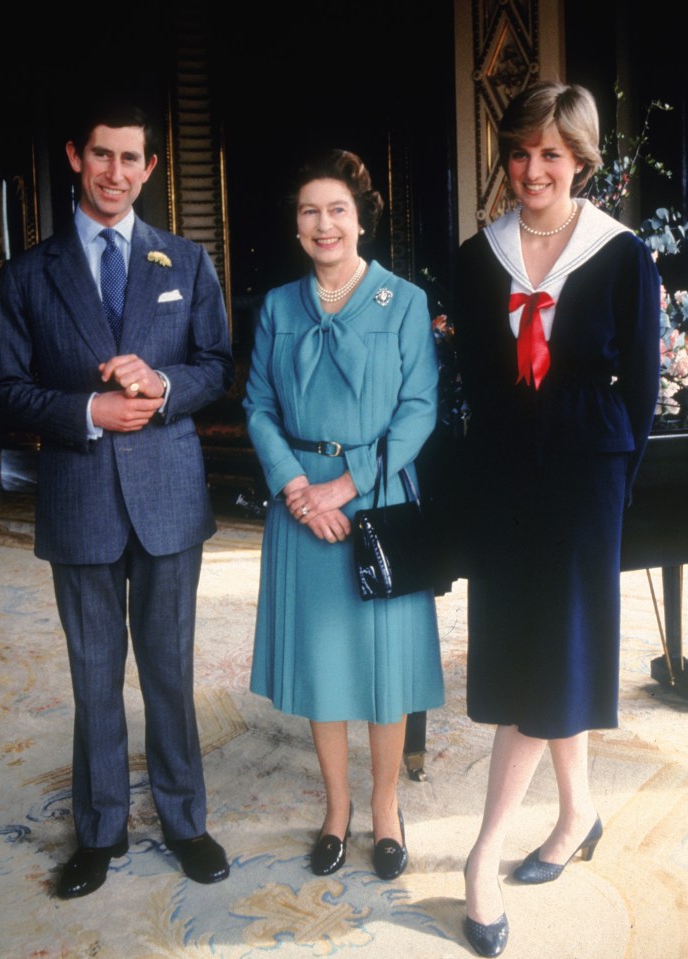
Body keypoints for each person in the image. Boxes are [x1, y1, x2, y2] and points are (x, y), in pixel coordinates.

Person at [0, 100, 234, 899]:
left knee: (168, 669)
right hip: (80, 498)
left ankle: (185, 819)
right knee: (94, 676)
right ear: (74, 156)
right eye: (101, 156)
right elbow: (6, 393)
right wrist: (87, 411)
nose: (115, 174)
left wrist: (162, 386)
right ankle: (99, 831)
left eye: (131, 160)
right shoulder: (27, 273)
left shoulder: (186, 263)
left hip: (168, 499)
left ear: (151, 168)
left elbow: (215, 367)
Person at [453, 82, 660, 956]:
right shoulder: (476, 257)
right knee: (527, 653)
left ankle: (481, 854)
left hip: (583, 480)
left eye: (551, 153)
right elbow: (472, 382)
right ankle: (576, 812)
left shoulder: (622, 257)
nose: (532, 169)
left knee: (552, 656)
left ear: (580, 159)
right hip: (505, 479)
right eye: (520, 152)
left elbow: (642, 390)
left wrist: (607, 482)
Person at [243, 149, 444, 881]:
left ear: (361, 220)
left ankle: (386, 808)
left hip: (378, 498)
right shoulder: (275, 307)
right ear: (295, 226)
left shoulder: (405, 301)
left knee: (383, 668)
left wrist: (347, 483)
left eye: (336, 209)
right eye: (308, 211)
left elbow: (420, 408)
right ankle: (336, 808)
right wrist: (299, 487)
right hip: (299, 502)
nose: (322, 224)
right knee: (325, 665)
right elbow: (257, 407)